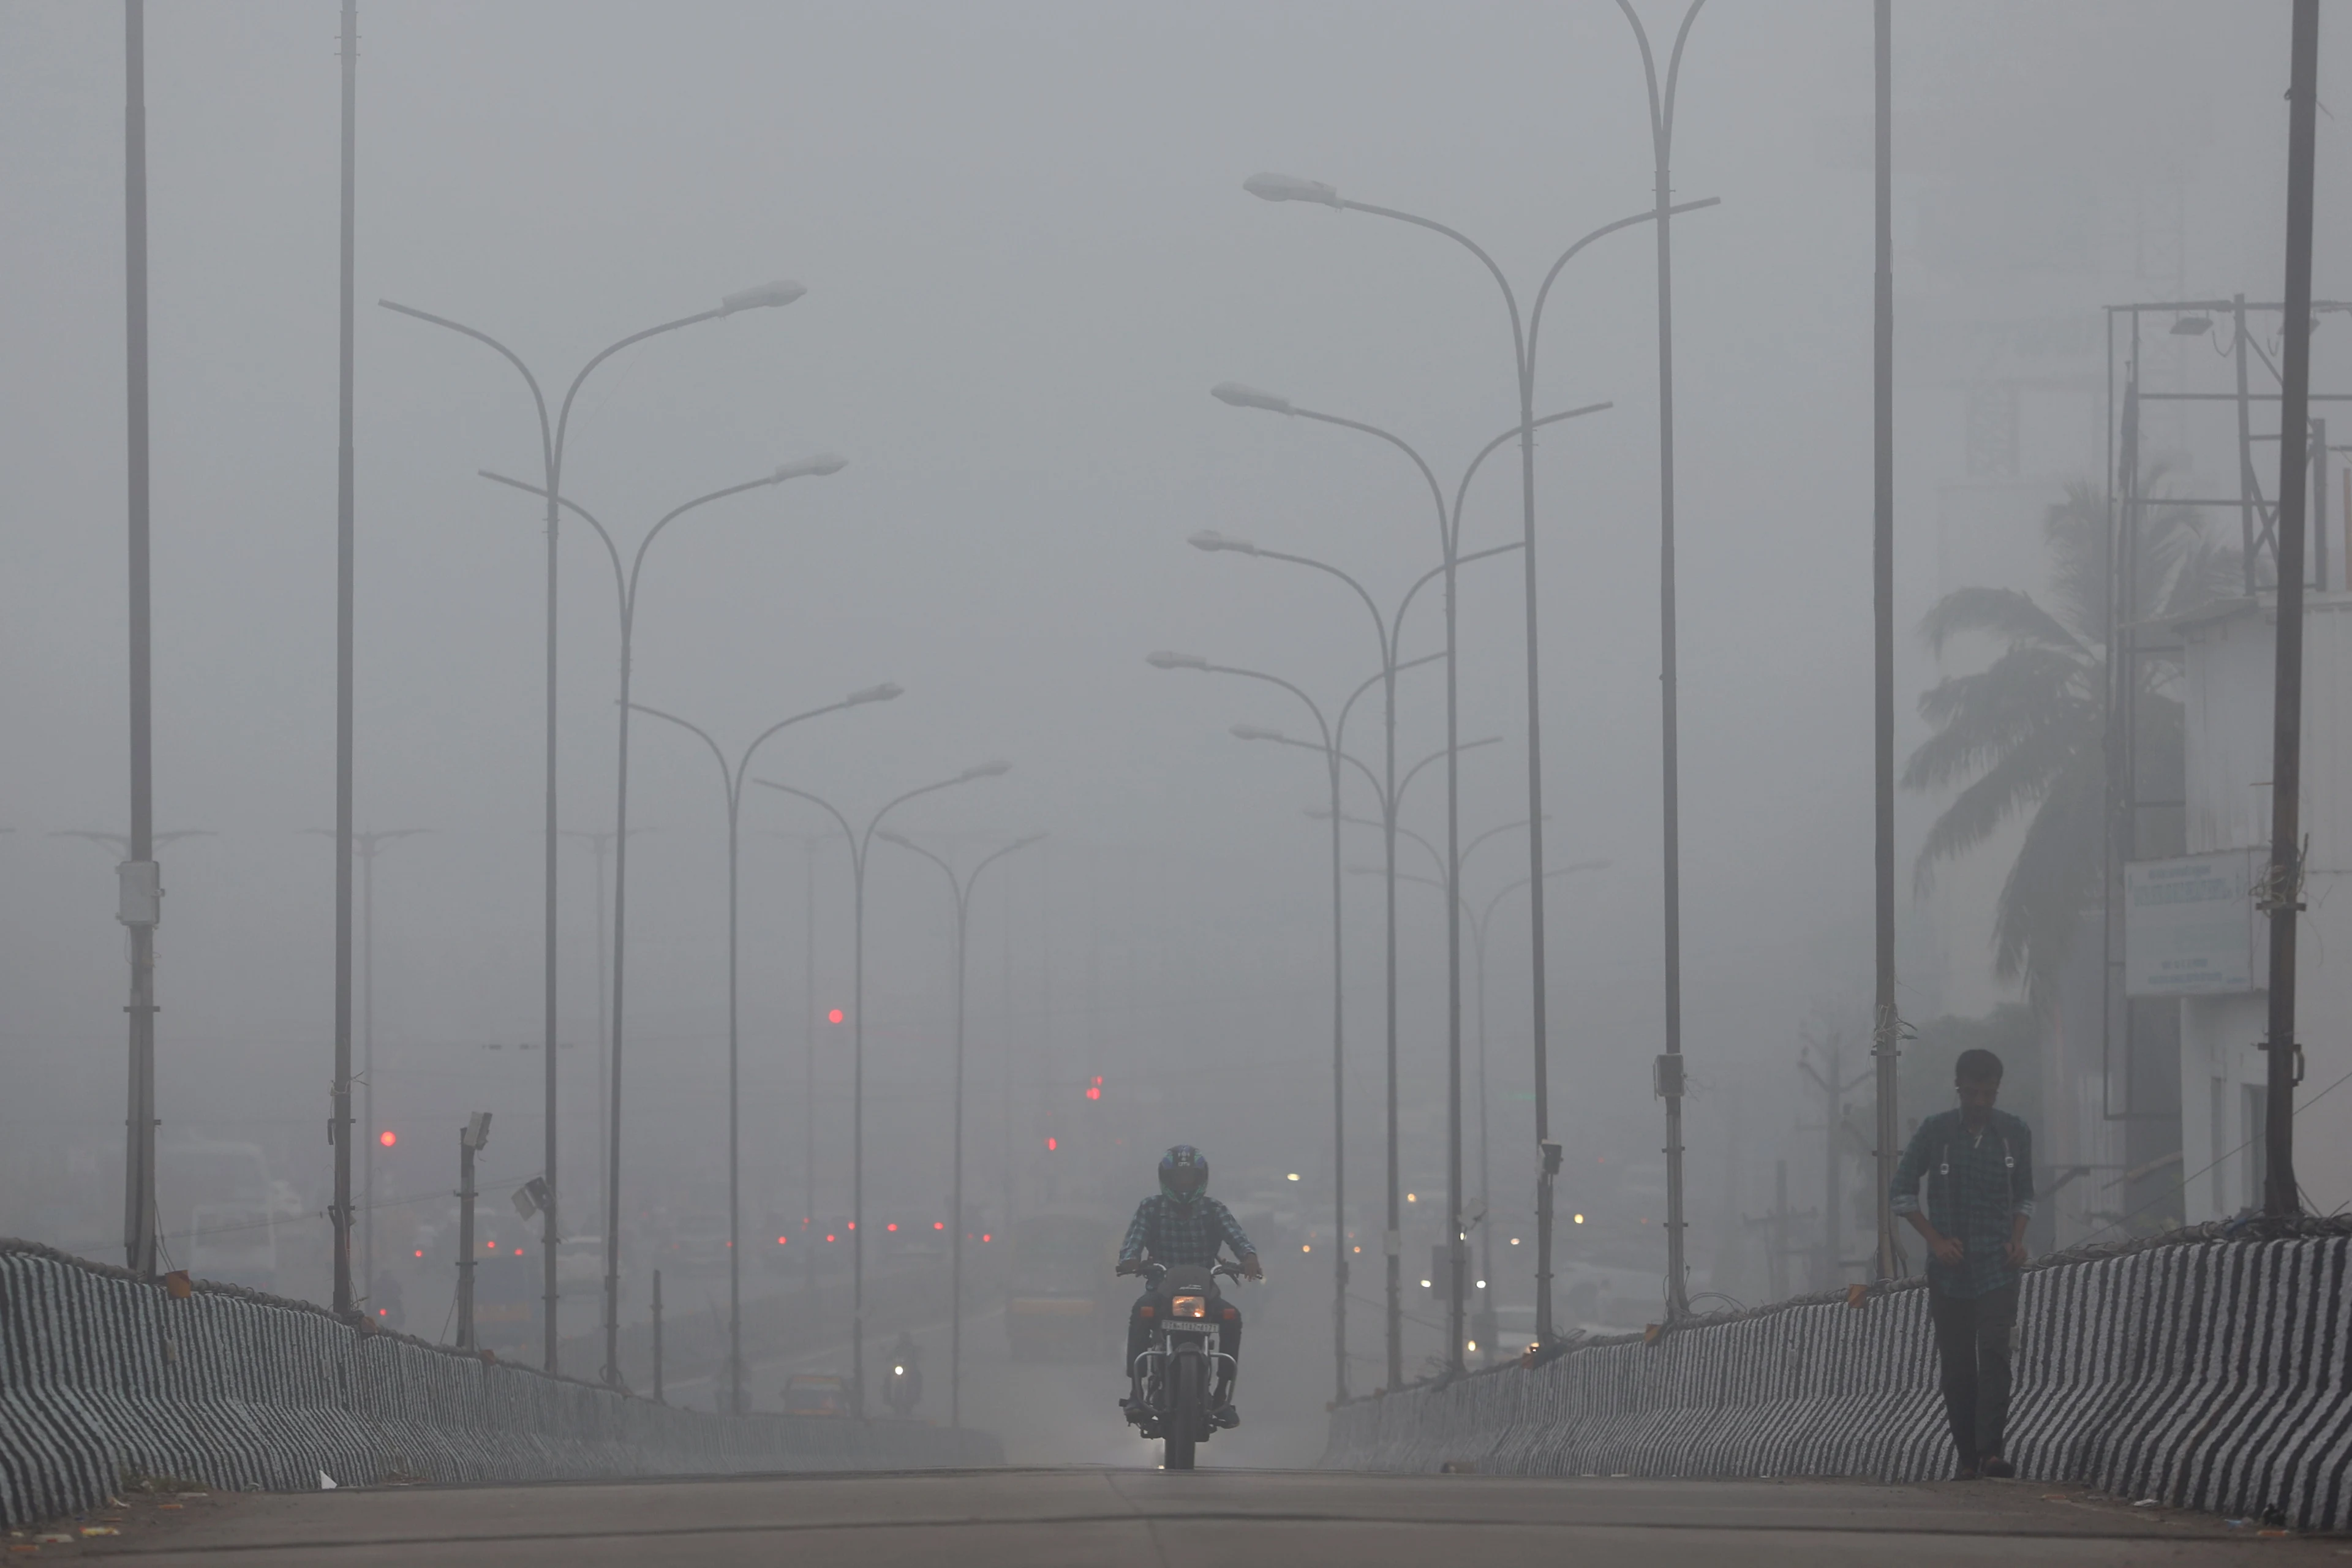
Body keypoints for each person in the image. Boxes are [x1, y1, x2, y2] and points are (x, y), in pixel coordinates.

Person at [1890, 1047, 2036, 1480]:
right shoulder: (1936, 1133)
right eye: (1972, 1094)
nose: (1980, 1104)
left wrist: (2017, 1240)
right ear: (1959, 1089)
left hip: (1998, 1267)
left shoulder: (2015, 1133)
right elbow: (1901, 1192)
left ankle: (1991, 1451)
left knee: (1995, 1352)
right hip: (1950, 1274)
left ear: (1997, 1092)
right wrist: (1934, 1240)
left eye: (1988, 1095)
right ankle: (1967, 1458)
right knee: (1957, 1367)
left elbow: (2026, 1194)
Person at [1116, 1144, 1262, 1427]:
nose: (1184, 1184)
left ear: (1201, 1179)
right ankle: (1136, 1393)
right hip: (1161, 1290)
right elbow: (1133, 1240)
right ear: (1166, 1180)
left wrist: (1249, 1258)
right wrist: (1130, 1259)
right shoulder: (1150, 1207)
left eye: (1189, 1178)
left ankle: (1221, 1394)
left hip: (1204, 1292)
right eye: (1179, 1178)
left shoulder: (1214, 1209)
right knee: (1141, 1312)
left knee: (1232, 1319)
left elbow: (1237, 1237)